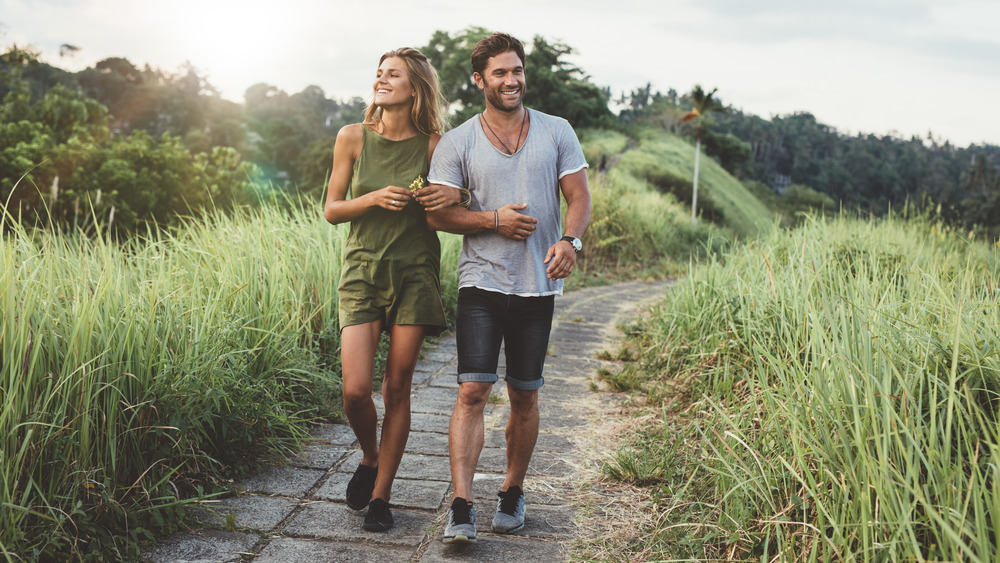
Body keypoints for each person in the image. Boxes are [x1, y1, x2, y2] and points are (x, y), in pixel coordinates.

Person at [425, 32, 592, 544]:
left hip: (537, 285)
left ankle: (512, 490)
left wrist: (571, 241)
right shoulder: (458, 141)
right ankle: (460, 504)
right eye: (499, 72)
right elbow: (440, 215)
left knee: (524, 393)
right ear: (479, 80)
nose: (511, 80)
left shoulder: (556, 130)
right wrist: (493, 220)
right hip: (481, 280)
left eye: (516, 70)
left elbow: (579, 196)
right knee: (473, 389)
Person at [323, 47, 462, 532]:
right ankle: (368, 455)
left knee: (397, 387)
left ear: (414, 88)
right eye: (379, 73)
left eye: (393, 75)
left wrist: (450, 195)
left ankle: (381, 497)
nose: (381, 80)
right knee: (356, 391)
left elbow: (453, 204)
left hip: (415, 273)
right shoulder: (352, 137)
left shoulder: (434, 146)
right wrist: (373, 198)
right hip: (362, 271)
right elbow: (332, 209)